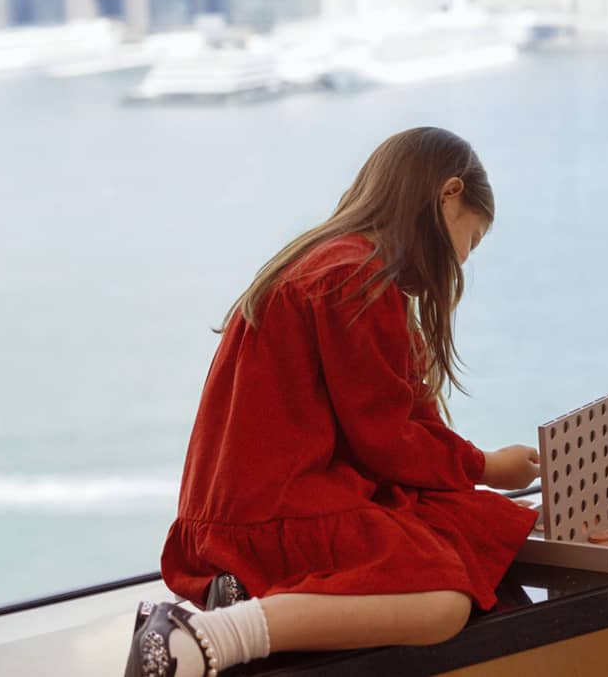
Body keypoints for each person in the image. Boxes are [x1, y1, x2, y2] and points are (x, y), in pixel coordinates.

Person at [126, 127, 540, 677]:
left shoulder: (331, 261)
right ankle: (208, 638)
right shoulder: (356, 277)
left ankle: (240, 595)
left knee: (472, 529)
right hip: (276, 512)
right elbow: (387, 441)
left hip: (246, 510)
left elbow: (379, 431)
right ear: (449, 194)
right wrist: (485, 466)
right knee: (445, 604)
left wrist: (477, 471)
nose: (463, 260)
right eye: (473, 238)